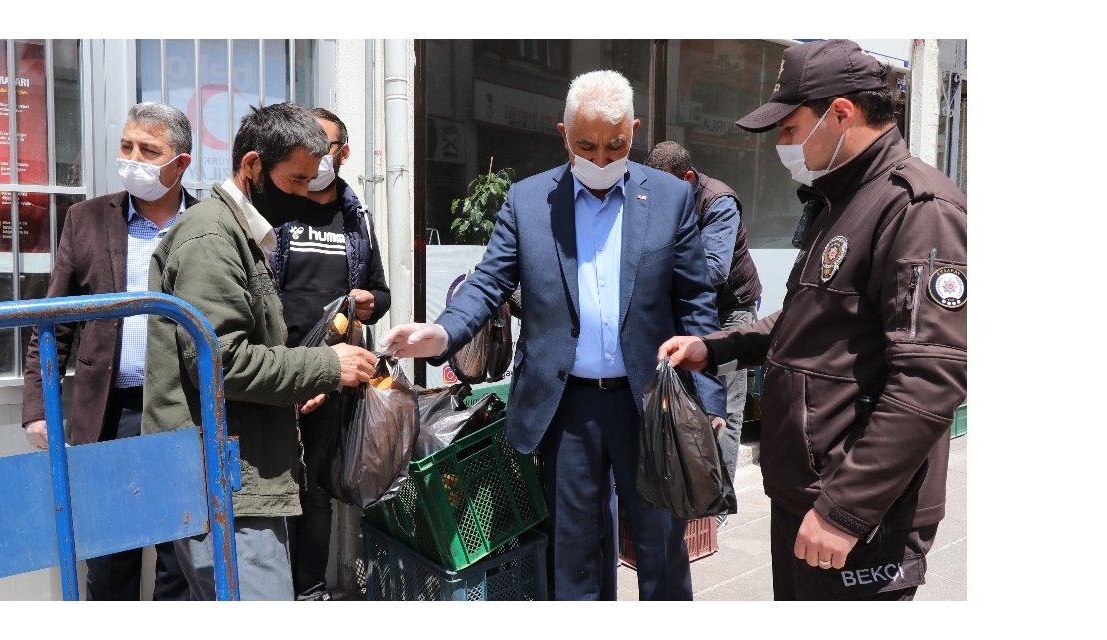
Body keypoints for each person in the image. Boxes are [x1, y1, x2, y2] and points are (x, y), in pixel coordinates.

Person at [384, 70, 723, 601]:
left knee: (661, 546)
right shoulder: (527, 202)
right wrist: (441, 332)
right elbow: (490, 282)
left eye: (617, 145)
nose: (603, 158)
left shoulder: (668, 199)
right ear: (563, 134)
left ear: (633, 131)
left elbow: (696, 302)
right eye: (587, 145)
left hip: (651, 402)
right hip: (568, 407)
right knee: (577, 553)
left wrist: (709, 398)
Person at [658, 39, 967, 600]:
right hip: (806, 491)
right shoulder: (840, 201)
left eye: (789, 129)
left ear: (841, 113)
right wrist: (715, 346)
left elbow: (931, 377)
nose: (782, 145)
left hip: (860, 512)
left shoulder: (916, 209)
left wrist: (846, 510)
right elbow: (803, 321)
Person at [141, 102, 378, 601]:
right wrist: (326, 365)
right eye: (294, 182)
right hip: (224, 479)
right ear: (252, 166)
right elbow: (222, 362)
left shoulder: (241, 234)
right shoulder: (211, 237)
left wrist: (296, 390)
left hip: (239, 471)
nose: (304, 196)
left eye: (311, 182)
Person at [20, 102, 196, 601]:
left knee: (179, 552)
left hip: (184, 411)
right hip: (110, 412)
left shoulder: (208, 223)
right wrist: (39, 409)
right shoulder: (88, 219)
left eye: (148, 149)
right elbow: (54, 322)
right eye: (127, 146)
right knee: (110, 552)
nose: (133, 158)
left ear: (180, 163)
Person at [272, 107, 390, 601]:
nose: (317, 160)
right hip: (273, 369)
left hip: (333, 374)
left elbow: (380, 296)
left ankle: (311, 589)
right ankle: (269, 589)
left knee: (315, 488)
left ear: (343, 154)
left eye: (327, 149)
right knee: (270, 485)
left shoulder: (355, 217)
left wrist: (368, 304)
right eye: (309, 149)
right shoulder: (276, 209)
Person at [644, 141, 763, 530]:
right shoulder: (661, 199)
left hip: (732, 311)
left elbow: (712, 270)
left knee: (724, 406)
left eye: (666, 190)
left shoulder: (719, 203)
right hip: (689, 308)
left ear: (688, 179)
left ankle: (717, 504)